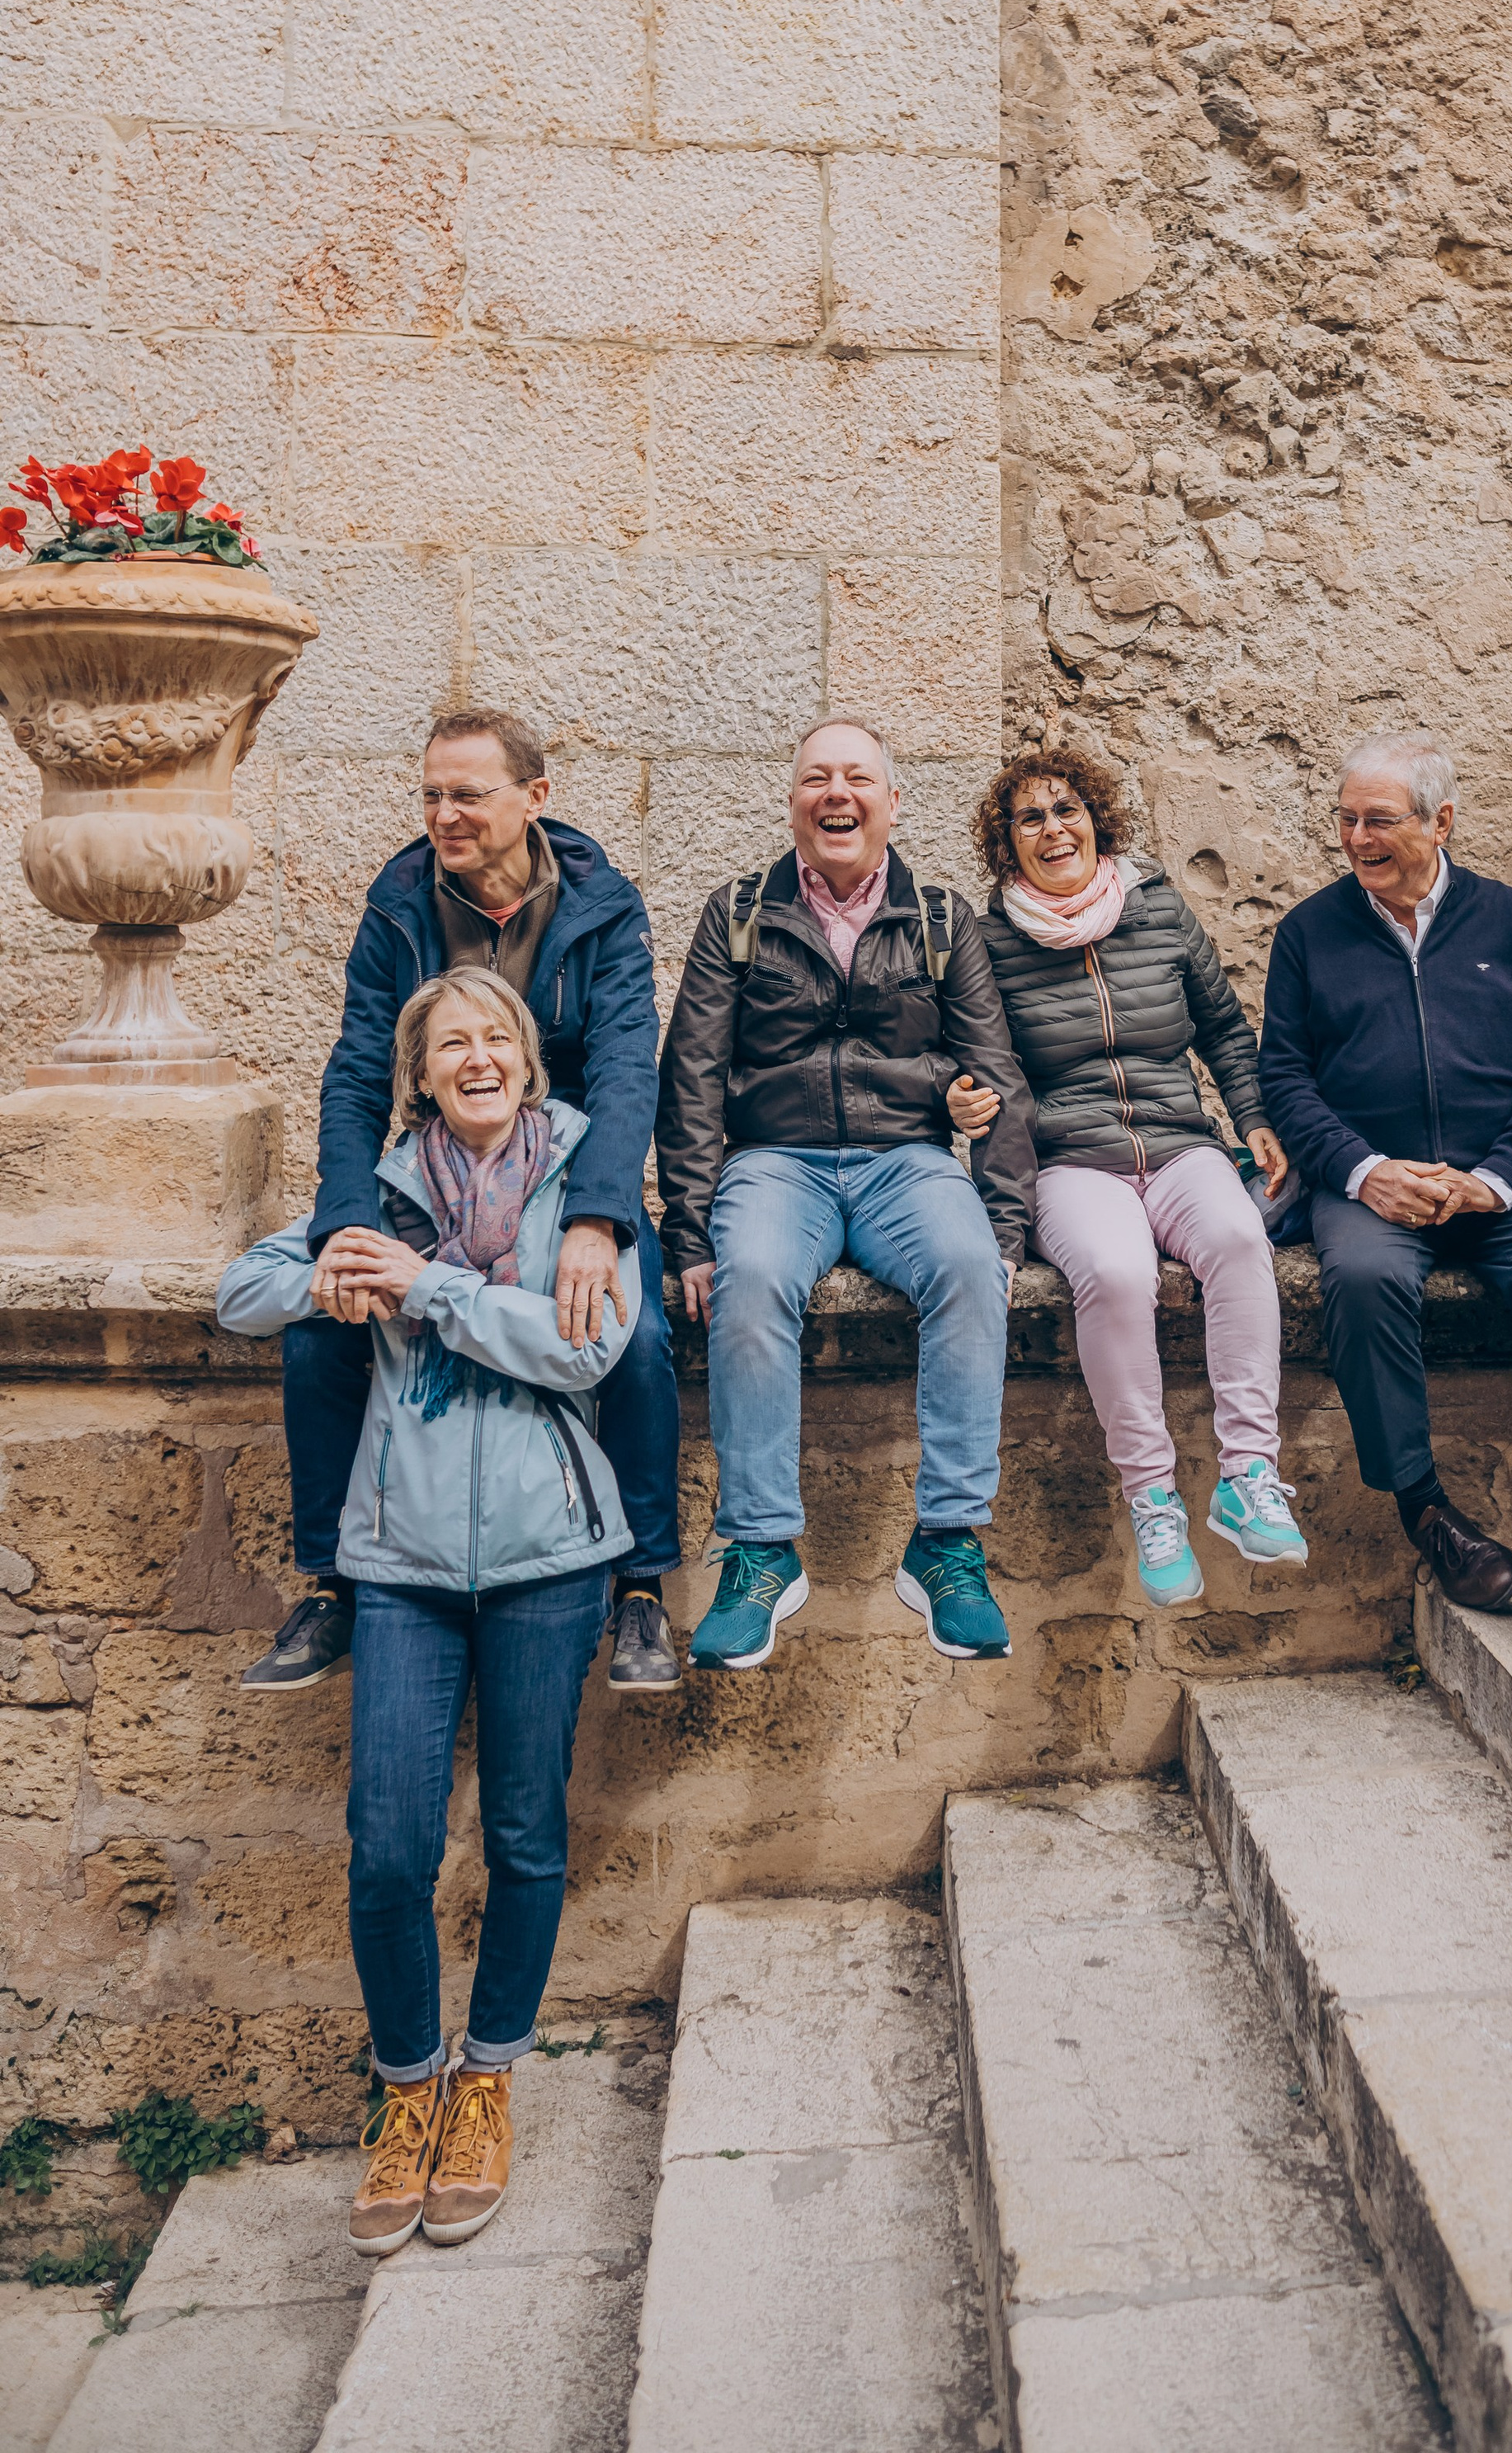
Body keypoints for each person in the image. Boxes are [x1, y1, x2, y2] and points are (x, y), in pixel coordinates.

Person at [217, 967, 637, 2257]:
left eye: (495, 1037)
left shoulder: (582, 1189)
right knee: (389, 1848)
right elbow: (238, 1297)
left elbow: (589, 1350)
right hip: (397, 1564)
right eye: (450, 1042)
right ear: (419, 1073)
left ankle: (491, 2079)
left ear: (527, 1059)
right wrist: (327, 1280)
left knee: (523, 1831)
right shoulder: (382, 1189)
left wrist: (432, 1290)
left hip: (550, 1553)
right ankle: (409, 2092)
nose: (476, 1057)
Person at [243, 710, 683, 1697]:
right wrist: (350, 1225)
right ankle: (331, 1587)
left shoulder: (601, 905)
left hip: (566, 1172)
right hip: (436, 1172)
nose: (445, 814)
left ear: (534, 799)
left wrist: (595, 1219)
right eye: (432, 795)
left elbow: (623, 1073)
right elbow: (358, 1072)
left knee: (640, 1336)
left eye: (468, 794)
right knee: (323, 1331)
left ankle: (642, 1588)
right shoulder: (399, 901)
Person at [655, 719, 1036, 1669]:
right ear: (792, 803)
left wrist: (1003, 1221)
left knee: (967, 1265)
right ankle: (759, 1550)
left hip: (904, 1160)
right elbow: (693, 1074)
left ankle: (946, 1541)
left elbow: (999, 1076)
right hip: (774, 1161)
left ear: (891, 803)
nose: (837, 793)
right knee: (748, 1283)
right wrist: (690, 1230)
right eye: (816, 779)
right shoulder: (738, 914)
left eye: (857, 778)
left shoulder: (943, 920)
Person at [1259, 731, 1512, 1671]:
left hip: (1505, 1180)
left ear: (1440, 822)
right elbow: (1285, 1080)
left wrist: (1497, 1176)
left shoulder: (1510, 921)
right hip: (1370, 1181)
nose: (1355, 838)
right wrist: (1363, 1169)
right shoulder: (1309, 932)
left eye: (1378, 820)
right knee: (1363, 1278)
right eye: (1345, 819)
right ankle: (1425, 1511)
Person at [953, 744, 1304, 1610]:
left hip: (1181, 1142)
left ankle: (1247, 1475)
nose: (1052, 829)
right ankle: (1151, 1498)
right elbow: (975, 1066)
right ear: (1008, 844)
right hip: (1071, 1161)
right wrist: (960, 1110)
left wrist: (1252, 1118)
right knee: (1114, 1274)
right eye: (1029, 818)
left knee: (1235, 1238)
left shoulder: (1157, 911)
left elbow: (1222, 1027)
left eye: (1066, 809)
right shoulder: (987, 942)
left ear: (1096, 820)